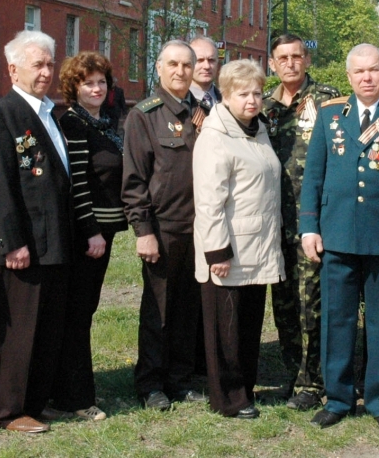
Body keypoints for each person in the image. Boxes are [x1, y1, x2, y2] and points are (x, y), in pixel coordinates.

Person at [299, 43, 379, 437]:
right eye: (359, 72)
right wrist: (310, 226)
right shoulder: (329, 115)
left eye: (374, 70)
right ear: (349, 76)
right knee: (337, 321)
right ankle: (338, 399)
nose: (367, 78)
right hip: (337, 235)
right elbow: (314, 176)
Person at [0, 30, 73, 434]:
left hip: (54, 241)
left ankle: (35, 401)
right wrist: (11, 241)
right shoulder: (1, 116)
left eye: (50, 64)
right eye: (38, 64)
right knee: (18, 329)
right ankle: (8, 409)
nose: (46, 72)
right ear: (13, 69)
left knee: (48, 326)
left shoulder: (50, 113)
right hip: (23, 244)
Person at [193, 60, 285, 418]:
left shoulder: (256, 129)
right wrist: (217, 251)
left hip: (258, 246)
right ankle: (228, 399)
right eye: (242, 93)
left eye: (257, 93)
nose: (252, 100)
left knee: (247, 327)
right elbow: (209, 201)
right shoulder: (215, 136)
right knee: (225, 331)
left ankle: (245, 389)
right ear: (226, 95)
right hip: (228, 249)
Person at [122, 39, 207, 410]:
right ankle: (150, 382)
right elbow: (134, 181)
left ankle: (180, 378)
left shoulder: (204, 112)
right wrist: (144, 232)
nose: (180, 71)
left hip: (200, 227)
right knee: (158, 307)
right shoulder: (145, 114)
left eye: (186, 65)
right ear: (158, 68)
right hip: (163, 227)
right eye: (172, 64)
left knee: (189, 306)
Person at [45, 52, 129, 423]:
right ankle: (74, 398)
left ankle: (66, 389)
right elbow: (77, 182)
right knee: (77, 315)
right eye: (88, 83)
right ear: (73, 88)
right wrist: (92, 231)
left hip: (105, 231)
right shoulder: (75, 124)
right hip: (87, 235)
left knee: (84, 311)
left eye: (101, 82)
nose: (96, 88)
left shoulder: (104, 122)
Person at [263, 33, 341, 411]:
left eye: (297, 56)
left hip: (315, 221)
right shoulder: (263, 105)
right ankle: (293, 376)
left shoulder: (328, 100)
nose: (291, 63)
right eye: (283, 58)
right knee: (285, 306)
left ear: (307, 61)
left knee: (314, 305)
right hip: (275, 223)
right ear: (273, 63)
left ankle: (315, 381)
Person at [189, 35, 222, 111]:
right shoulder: (179, 101)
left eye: (211, 60)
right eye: (200, 60)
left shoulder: (228, 101)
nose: (207, 66)